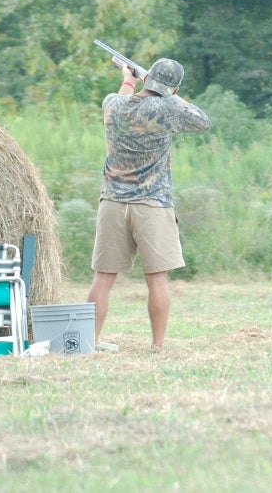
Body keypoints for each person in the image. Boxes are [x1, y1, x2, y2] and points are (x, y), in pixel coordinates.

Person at [86, 57, 210, 351]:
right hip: (153, 204)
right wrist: (172, 95)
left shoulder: (112, 104)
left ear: (147, 77)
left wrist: (128, 78)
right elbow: (202, 121)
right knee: (157, 280)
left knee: (103, 278)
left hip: (113, 202)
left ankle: (90, 342)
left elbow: (123, 98)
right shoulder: (167, 107)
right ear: (174, 87)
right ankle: (157, 345)